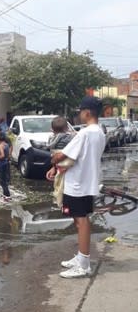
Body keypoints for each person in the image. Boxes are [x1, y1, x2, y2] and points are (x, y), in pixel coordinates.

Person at [46, 97, 105, 279]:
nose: (79, 115)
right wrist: (56, 167)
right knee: (79, 220)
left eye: (80, 111)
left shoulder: (85, 133)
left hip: (78, 184)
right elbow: (77, 157)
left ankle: (84, 264)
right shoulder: (100, 132)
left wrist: (54, 160)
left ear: (87, 112)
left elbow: (64, 154)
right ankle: (81, 257)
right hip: (85, 181)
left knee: (81, 221)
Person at [47, 116, 75, 208]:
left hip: (61, 166)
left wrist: (54, 166)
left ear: (52, 129)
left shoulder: (52, 139)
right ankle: (63, 204)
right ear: (66, 128)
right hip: (68, 166)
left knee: (59, 185)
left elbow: (54, 153)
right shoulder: (72, 138)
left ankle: (60, 202)